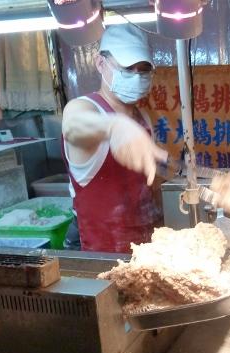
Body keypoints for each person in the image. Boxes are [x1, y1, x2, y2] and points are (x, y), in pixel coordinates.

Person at [61, 23, 168, 253]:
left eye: (143, 70)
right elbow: (73, 127)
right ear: (101, 63)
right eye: (128, 68)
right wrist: (114, 125)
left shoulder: (143, 117)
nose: (137, 76)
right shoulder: (83, 109)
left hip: (142, 246)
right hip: (98, 249)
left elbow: (150, 181)